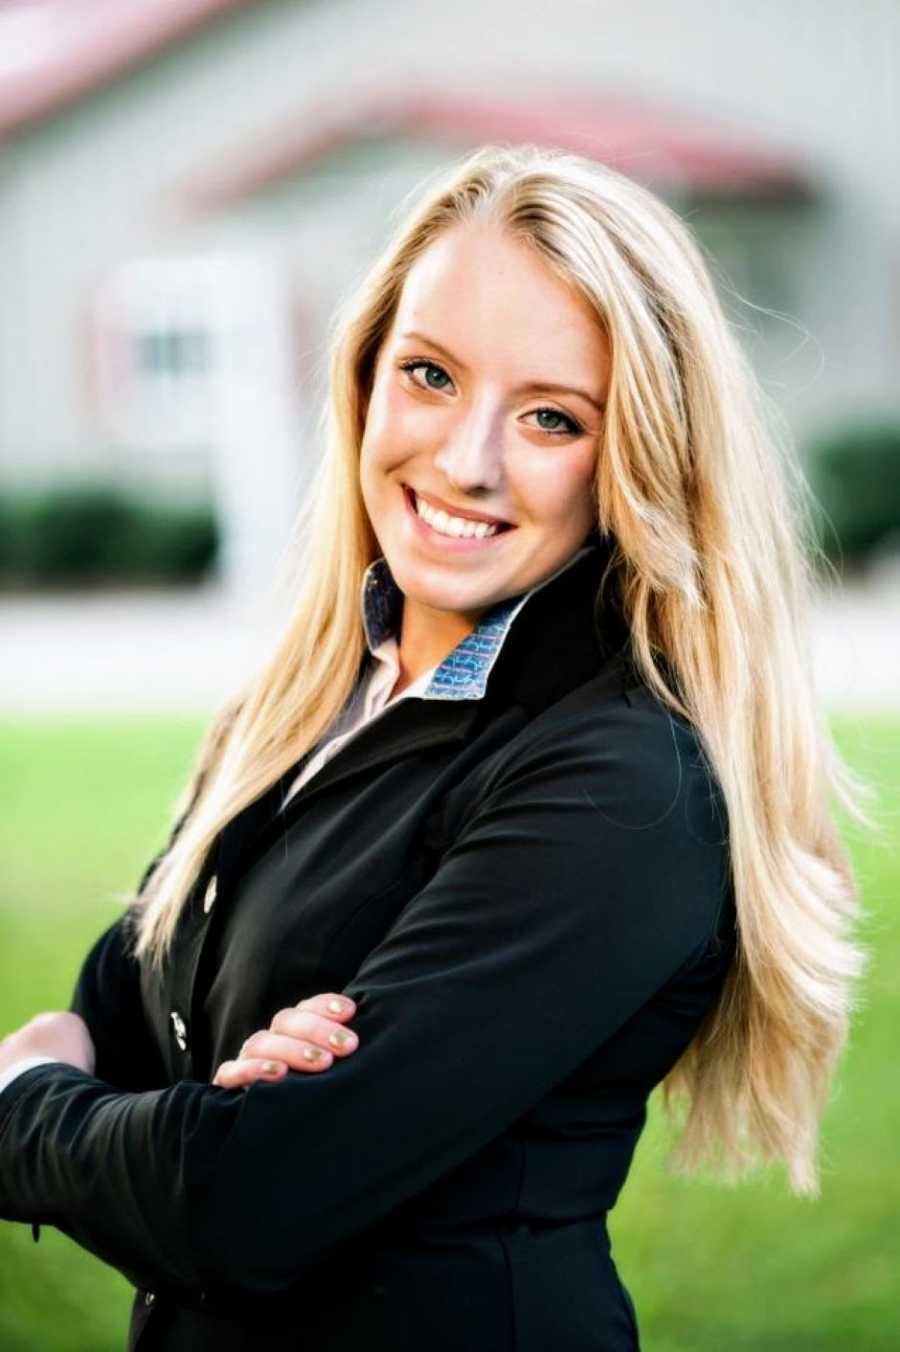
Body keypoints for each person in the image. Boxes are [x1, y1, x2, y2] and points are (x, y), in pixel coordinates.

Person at [0, 144, 873, 1352]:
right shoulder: (314, 695)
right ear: (364, 378)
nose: (468, 461)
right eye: (430, 375)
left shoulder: (622, 784)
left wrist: (32, 1107)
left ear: (636, 461)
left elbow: (240, 1198)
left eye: (552, 416)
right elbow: (124, 1002)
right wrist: (181, 1107)